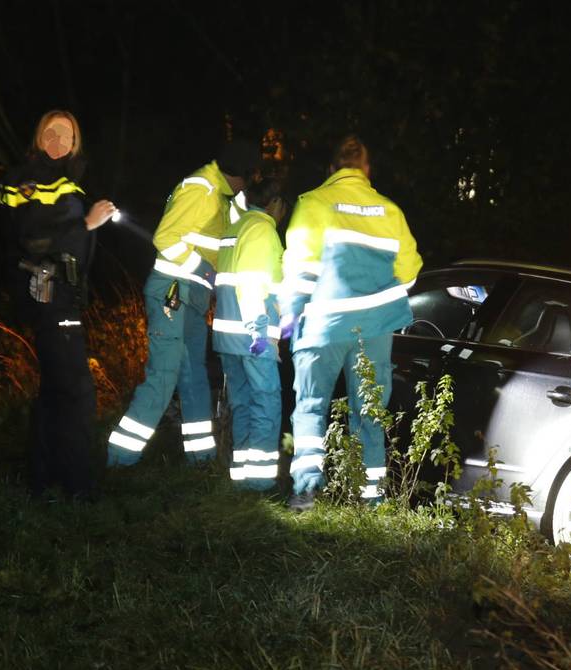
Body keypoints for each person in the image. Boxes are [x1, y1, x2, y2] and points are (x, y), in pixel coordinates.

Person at [281, 135, 423, 510]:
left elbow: (299, 269)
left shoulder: (314, 203)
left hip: (324, 324)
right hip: (374, 329)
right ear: (367, 170)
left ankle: (307, 492)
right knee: (370, 412)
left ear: (331, 169)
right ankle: (370, 501)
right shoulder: (389, 211)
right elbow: (409, 273)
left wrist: (289, 313)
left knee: (311, 405)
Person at [106, 140, 256, 467]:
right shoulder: (202, 189)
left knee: (194, 377)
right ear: (240, 176)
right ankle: (118, 461)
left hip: (193, 297)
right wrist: (202, 269)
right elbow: (165, 238)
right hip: (172, 291)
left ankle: (200, 460)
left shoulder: (225, 197)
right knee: (164, 375)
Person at [0, 109, 116, 500]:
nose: (57, 140)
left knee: (54, 390)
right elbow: (30, 240)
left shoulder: (69, 180)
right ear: (38, 136)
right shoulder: (26, 180)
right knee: (76, 391)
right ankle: (78, 486)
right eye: (50, 132)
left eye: (65, 135)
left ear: (76, 142)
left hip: (62, 296)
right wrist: (87, 225)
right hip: (48, 297)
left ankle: (42, 479)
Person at [213, 173, 287, 490]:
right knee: (266, 403)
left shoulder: (235, 228)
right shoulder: (262, 230)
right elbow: (252, 284)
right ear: (275, 204)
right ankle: (258, 483)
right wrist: (259, 332)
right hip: (252, 337)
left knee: (242, 403)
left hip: (228, 336)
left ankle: (241, 477)